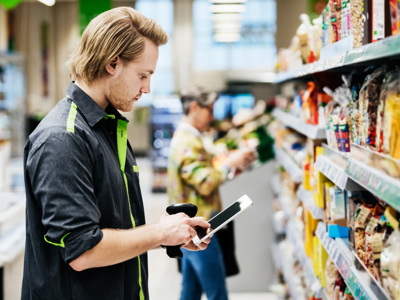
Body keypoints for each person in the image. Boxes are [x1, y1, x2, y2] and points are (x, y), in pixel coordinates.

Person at [22, 7, 211, 300]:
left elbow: (115, 226)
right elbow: (83, 250)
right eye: (143, 75)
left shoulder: (107, 127)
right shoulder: (63, 138)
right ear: (112, 63)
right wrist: (159, 233)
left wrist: (171, 232)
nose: (147, 88)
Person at [167, 86, 257, 300]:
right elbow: (206, 182)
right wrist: (229, 164)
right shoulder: (186, 142)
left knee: (191, 290)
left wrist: (230, 167)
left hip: (191, 226)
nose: (213, 116)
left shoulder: (191, 138)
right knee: (217, 292)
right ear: (195, 108)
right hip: (201, 228)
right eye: (209, 109)